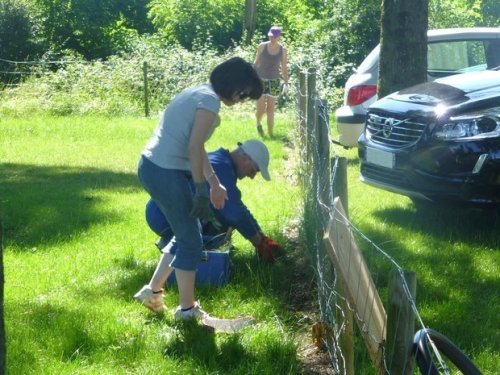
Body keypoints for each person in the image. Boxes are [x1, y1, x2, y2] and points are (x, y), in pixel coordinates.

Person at [134, 57, 263, 319]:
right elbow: (193, 147)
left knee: (187, 232)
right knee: (191, 241)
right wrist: (202, 190)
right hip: (163, 170)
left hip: (155, 166)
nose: (242, 98)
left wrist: (214, 184)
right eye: (244, 92)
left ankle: (153, 292)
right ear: (233, 83)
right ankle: (187, 310)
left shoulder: (198, 92)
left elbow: (198, 146)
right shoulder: (209, 102)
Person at [137, 140, 285, 313]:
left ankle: (159, 290)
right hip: (161, 214)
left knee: (203, 232)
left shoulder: (222, 163)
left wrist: (260, 235)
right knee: (195, 239)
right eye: (254, 170)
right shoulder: (220, 166)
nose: (252, 176)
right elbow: (234, 211)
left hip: (164, 208)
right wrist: (259, 241)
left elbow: (236, 205)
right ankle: (184, 307)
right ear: (245, 158)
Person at [254, 26, 289, 138]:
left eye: (274, 36)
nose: (272, 38)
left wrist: (286, 83)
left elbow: (284, 66)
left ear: (279, 37)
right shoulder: (262, 46)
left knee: (270, 108)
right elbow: (256, 62)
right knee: (261, 108)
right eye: (270, 36)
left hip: (274, 81)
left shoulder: (282, 50)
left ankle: (270, 133)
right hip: (260, 80)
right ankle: (259, 123)